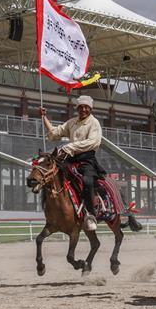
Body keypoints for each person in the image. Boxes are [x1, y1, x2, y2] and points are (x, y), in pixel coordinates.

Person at [40, 95, 103, 231]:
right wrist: (44, 118)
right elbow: (55, 133)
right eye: (81, 107)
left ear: (90, 108)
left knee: (87, 181)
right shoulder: (72, 122)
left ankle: (91, 215)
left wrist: (70, 147)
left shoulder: (94, 123)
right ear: (77, 108)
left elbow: (93, 142)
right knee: (53, 176)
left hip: (87, 160)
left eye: (86, 107)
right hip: (71, 159)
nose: (83, 109)